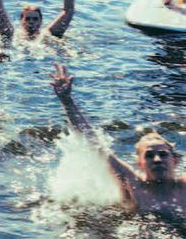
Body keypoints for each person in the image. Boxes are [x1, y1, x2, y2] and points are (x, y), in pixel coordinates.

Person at [49, 64, 186, 217]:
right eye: (149, 155)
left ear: (175, 160)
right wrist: (67, 102)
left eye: (163, 154)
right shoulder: (133, 186)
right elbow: (94, 143)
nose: (157, 159)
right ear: (139, 163)